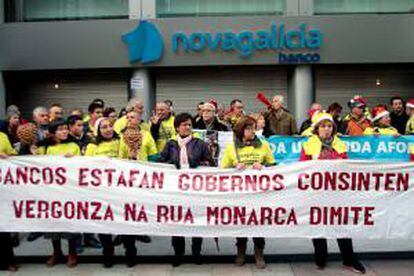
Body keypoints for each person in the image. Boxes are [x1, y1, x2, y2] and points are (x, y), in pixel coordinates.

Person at [299, 112, 366, 274]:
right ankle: (320, 258)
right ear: (316, 129)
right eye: (323, 126)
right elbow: (302, 168)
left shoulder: (340, 144)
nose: (327, 129)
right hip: (316, 193)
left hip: (337, 193)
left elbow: (345, 167)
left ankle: (349, 260)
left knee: (342, 226)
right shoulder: (308, 145)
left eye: (329, 126)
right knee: (318, 225)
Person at [159, 113, 214, 267]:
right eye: (184, 124)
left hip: (195, 190)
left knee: (196, 221)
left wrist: (198, 165)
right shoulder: (170, 144)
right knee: (177, 222)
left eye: (189, 124)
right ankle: (178, 253)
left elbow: (210, 163)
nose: (187, 127)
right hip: (176, 190)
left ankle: (196, 252)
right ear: (177, 127)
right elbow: (162, 164)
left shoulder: (200, 143)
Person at [221, 116, 276, 269]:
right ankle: (241, 251)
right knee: (241, 222)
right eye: (249, 128)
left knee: (259, 222)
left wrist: (263, 166)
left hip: (259, 193)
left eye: (254, 128)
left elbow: (274, 167)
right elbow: (223, 170)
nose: (253, 131)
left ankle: (259, 253)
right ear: (241, 130)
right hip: (240, 193)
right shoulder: (232, 147)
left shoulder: (263, 145)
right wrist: (234, 168)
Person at [84, 118, 139, 268]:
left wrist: (133, 153)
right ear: (98, 131)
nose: (108, 129)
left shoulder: (122, 140)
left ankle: (130, 252)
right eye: (104, 127)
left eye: (109, 126)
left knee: (126, 221)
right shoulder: (91, 146)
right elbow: (85, 166)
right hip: (102, 191)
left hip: (122, 190)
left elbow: (131, 160)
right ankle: (108, 253)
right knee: (104, 223)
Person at [35, 119, 81, 267]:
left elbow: (83, 166)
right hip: (51, 192)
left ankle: (72, 253)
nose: (64, 131)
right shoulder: (45, 149)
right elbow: (34, 165)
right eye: (60, 129)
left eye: (66, 129)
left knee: (70, 222)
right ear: (53, 132)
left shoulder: (74, 146)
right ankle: (57, 252)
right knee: (53, 223)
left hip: (69, 191)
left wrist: (74, 160)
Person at [0, 132, 18, 272]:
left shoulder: (2, 136)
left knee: (2, 225)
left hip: (3, 187)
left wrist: (9, 157)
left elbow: (12, 156)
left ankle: (8, 261)